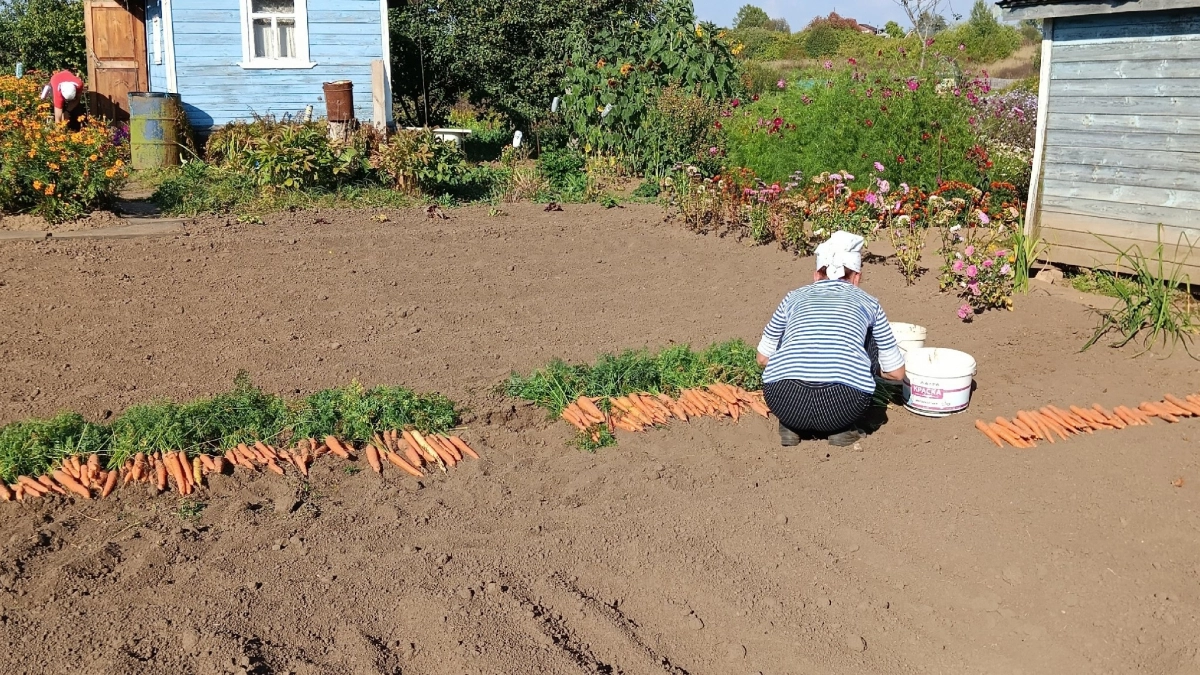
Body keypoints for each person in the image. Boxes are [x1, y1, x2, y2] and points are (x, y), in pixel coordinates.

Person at [755, 231, 907, 447]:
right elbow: (896, 372)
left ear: (816, 275)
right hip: (842, 405)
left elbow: (762, 358)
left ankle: (791, 425)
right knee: (869, 336)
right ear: (857, 278)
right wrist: (869, 368)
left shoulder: (792, 298)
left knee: (787, 333)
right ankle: (843, 429)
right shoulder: (870, 304)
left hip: (783, 400)